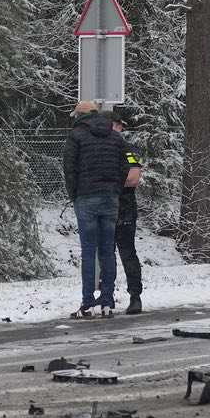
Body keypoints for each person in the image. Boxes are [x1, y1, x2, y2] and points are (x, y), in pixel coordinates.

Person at [62, 101, 131, 318]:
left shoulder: (76, 136)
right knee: (107, 250)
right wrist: (115, 189)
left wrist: (74, 194)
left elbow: (69, 168)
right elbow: (125, 166)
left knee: (89, 251)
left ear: (79, 116)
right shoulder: (115, 137)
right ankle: (107, 302)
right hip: (110, 198)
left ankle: (88, 303)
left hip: (86, 197)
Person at [111, 107, 145, 314]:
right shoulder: (100, 149)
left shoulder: (127, 150)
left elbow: (133, 178)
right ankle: (106, 297)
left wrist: (107, 182)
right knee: (106, 255)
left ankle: (135, 296)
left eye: (115, 126)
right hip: (107, 207)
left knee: (127, 253)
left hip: (124, 208)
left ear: (120, 127)